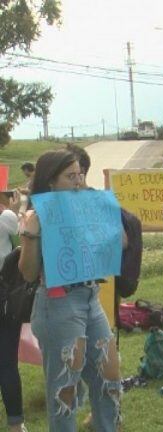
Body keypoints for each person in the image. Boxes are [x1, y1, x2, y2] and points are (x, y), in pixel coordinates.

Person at [20, 149, 122, 431]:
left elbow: (121, 243)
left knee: (109, 377)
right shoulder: (37, 215)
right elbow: (28, 273)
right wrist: (30, 233)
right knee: (65, 389)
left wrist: (108, 216)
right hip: (58, 304)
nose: (78, 181)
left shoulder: (87, 207)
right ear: (51, 182)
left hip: (90, 297)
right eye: (70, 176)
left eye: (80, 174)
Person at [0, 190, 23, 432]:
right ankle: (15, 424)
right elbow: (22, 235)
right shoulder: (6, 216)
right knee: (6, 362)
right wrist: (14, 210)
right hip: (4, 296)